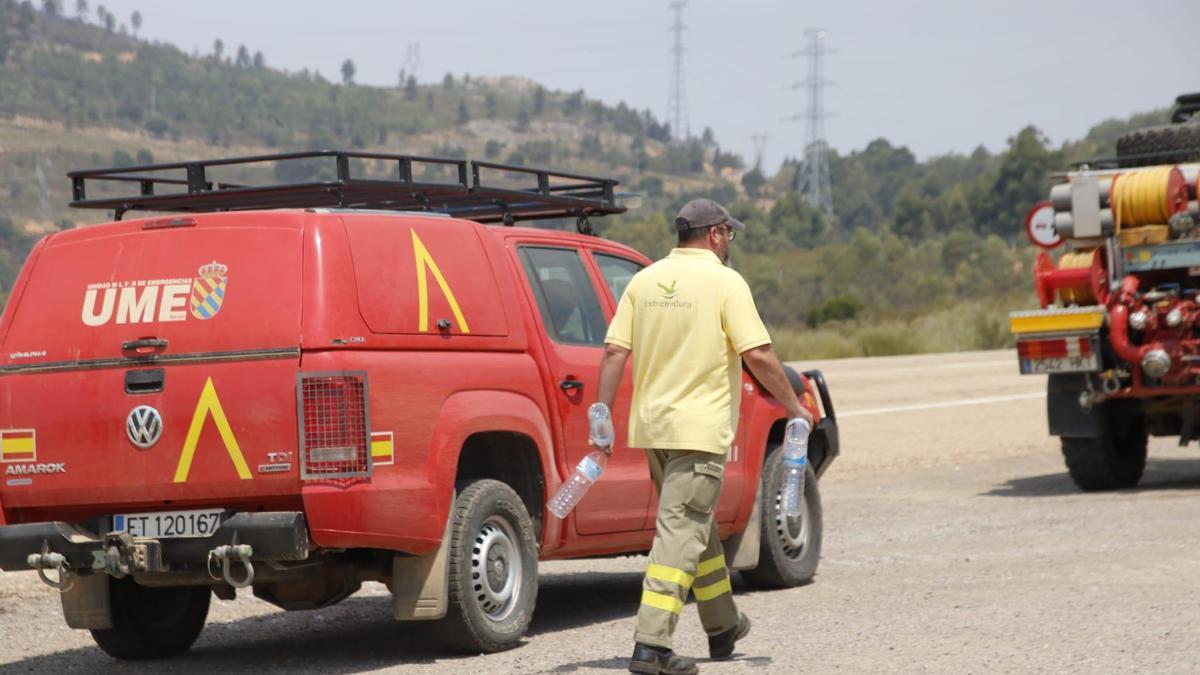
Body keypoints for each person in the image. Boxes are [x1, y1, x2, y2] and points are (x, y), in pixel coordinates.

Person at [593, 198, 814, 675]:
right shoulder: (724, 282)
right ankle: (650, 645)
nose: (729, 242)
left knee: (695, 525)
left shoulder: (644, 281)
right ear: (714, 234)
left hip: (653, 430)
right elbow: (757, 353)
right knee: (680, 532)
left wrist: (602, 418)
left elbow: (613, 352)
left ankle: (722, 625)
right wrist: (795, 406)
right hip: (698, 431)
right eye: (728, 234)